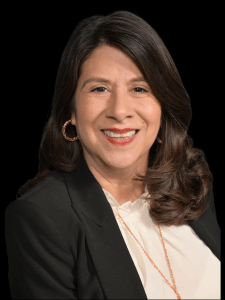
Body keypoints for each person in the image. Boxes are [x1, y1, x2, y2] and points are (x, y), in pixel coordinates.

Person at [5, 10, 220, 299]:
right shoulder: (43, 217)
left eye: (139, 88)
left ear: (163, 107)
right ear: (71, 111)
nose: (120, 111)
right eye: (100, 88)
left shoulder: (190, 182)